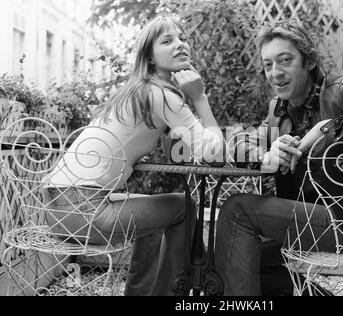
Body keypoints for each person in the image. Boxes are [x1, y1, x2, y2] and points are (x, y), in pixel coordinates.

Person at [214, 19, 343, 296]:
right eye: (268, 65)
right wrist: (266, 155)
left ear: (308, 61)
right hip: (309, 227)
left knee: (238, 210)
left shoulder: (339, 92)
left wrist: (328, 128)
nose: (275, 73)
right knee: (231, 258)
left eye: (285, 60)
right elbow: (240, 143)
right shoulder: (278, 109)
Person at [43, 15, 224, 296]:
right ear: (150, 58)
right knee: (184, 207)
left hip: (56, 208)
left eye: (181, 38)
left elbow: (175, 148)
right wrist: (199, 98)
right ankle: (182, 290)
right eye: (167, 41)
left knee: (150, 213)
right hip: (84, 212)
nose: (180, 44)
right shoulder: (163, 96)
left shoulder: (138, 91)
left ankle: (142, 293)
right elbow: (215, 154)